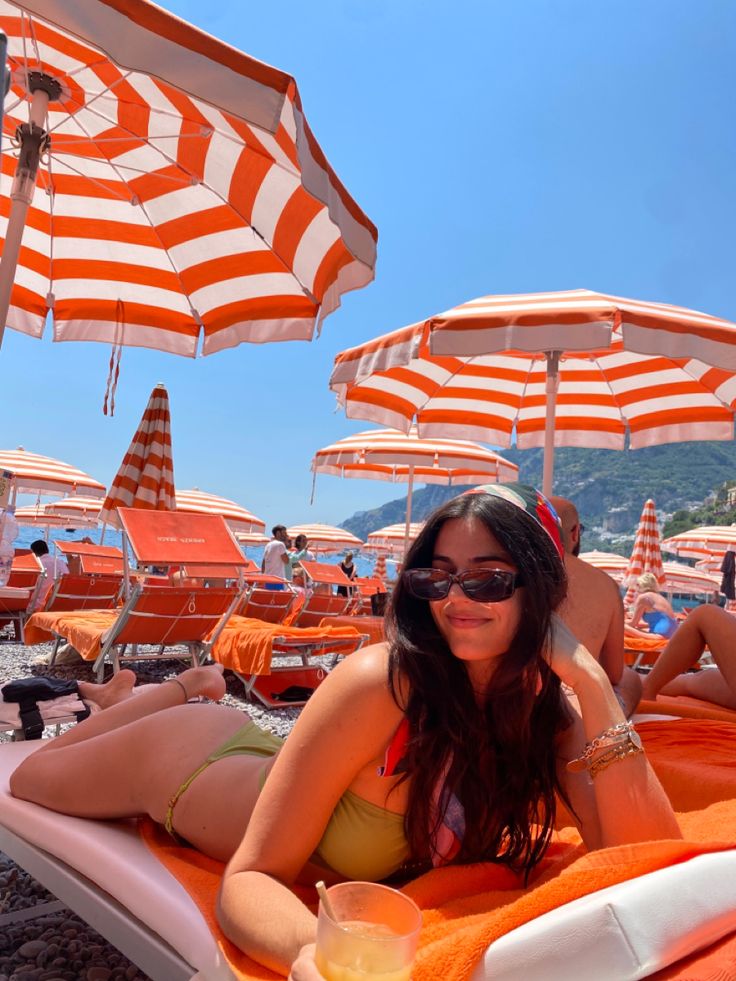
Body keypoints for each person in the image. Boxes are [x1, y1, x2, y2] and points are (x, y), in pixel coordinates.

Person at [10, 484, 680, 978]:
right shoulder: (384, 682)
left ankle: (169, 692)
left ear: (537, 590)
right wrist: (311, 951)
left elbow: (645, 857)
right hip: (187, 766)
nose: (455, 598)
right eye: (437, 577)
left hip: (282, 760)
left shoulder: (543, 715)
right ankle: (172, 689)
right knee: (30, 777)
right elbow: (252, 875)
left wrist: (591, 683)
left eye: (490, 579)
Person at [549, 497, 641, 716]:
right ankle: (615, 722)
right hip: (574, 713)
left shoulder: (504, 569)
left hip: (505, 703)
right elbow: (613, 673)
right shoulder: (604, 584)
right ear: (574, 533)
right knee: (631, 679)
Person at [641, 604, 736, 709]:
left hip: (659, 634)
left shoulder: (645, 599)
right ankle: (638, 682)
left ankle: (645, 690)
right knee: (696, 681)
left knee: (705, 614)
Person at [626, 572, 678, 639]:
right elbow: (656, 621)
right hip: (671, 635)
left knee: (622, 627)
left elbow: (633, 623)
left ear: (640, 585)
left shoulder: (643, 598)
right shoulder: (660, 597)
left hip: (659, 636)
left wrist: (621, 621)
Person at [29, 539, 69, 609]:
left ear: (33, 553)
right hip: (57, 604)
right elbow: (66, 580)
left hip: (35, 605)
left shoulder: (35, 565)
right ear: (47, 550)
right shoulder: (60, 562)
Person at [261, 525, 292, 589]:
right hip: (278, 579)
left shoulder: (268, 545)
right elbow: (286, 561)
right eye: (284, 533)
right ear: (278, 533)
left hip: (268, 579)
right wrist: (285, 544)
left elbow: (263, 563)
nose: (286, 535)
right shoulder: (280, 544)